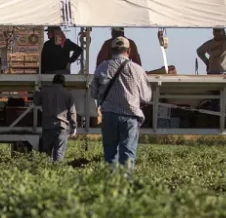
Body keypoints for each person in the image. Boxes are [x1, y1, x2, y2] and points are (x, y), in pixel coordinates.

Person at [90, 37, 152, 169]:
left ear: (111, 50)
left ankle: (111, 186)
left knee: (110, 155)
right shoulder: (137, 69)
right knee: (128, 155)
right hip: (130, 115)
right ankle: (126, 186)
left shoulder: (102, 68)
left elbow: (93, 93)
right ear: (129, 50)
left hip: (109, 115)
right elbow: (146, 97)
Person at [33, 73, 77, 162]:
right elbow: (72, 112)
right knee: (59, 152)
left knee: (46, 154)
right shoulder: (68, 94)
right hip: (62, 127)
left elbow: (36, 102)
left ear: (53, 82)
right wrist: (74, 126)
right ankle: (58, 172)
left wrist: (37, 91)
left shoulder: (44, 92)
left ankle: (46, 173)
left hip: (48, 125)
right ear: (63, 82)